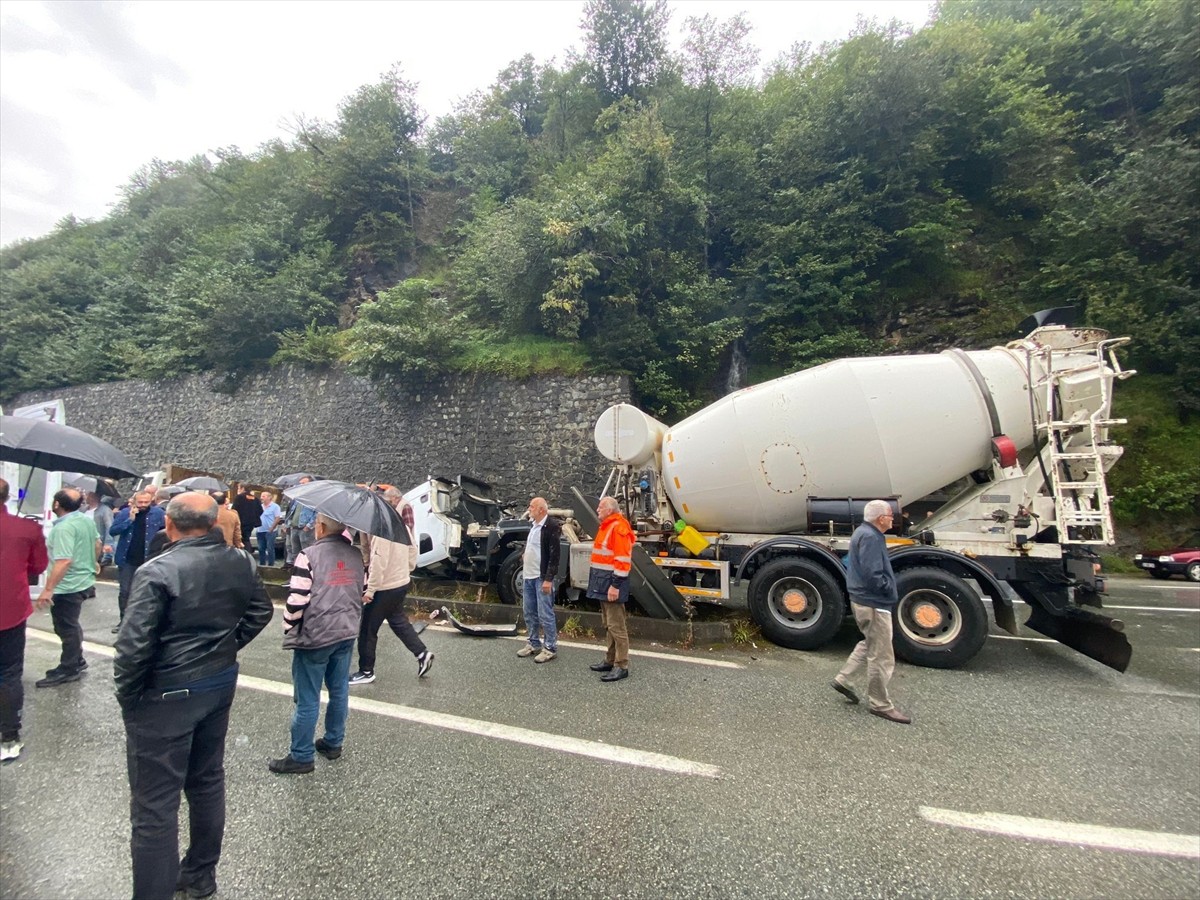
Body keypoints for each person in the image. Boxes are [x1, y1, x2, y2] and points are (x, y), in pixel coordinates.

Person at [114, 492, 272, 900]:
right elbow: (261, 612)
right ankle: (200, 875)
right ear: (215, 522)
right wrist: (226, 648)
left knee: (154, 806)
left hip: (166, 691)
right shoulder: (241, 560)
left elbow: (133, 647)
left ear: (169, 524)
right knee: (206, 780)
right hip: (218, 681)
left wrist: (130, 698)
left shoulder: (157, 570)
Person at [271, 513, 365, 774]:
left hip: (316, 635)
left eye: (316, 524)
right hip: (346, 631)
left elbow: (297, 600)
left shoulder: (308, 555)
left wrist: (289, 626)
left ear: (321, 527)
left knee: (308, 697)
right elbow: (362, 589)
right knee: (339, 690)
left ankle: (301, 756)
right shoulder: (356, 555)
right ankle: (333, 742)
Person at [831, 499, 911, 724]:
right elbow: (872, 573)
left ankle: (844, 679)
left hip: (866, 600)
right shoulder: (871, 537)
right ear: (880, 518)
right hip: (873, 602)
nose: (893, 518)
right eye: (890, 515)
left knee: (870, 642)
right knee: (882, 655)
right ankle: (880, 704)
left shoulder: (864, 533)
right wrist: (887, 589)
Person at [349, 489, 433, 685]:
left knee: (368, 629)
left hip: (384, 586)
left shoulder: (380, 530)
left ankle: (366, 670)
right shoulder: (398, 524)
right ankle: (422, 654)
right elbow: (413, 548)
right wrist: (407, 569)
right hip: (401, 581)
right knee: (398, 621)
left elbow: (379, 562)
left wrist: (370, 590)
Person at [0, 478, 50, 762]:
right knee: (8, 674)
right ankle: (8, 737)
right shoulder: (28, 529)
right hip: (10, 609)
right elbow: (38, 566)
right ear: (7, 498)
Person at [35, 488, 100, 687]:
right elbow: (97, 543)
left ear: (56, 505)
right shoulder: (85, 520)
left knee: (65, 626)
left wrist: (48, 589)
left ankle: (69, 668)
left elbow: (63, 561)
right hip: (84, 580)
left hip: (68, 585)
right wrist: (93, 562)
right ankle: (77, 660)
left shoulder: (63, 528)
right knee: (71, 623)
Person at [586, 496, 634, 683]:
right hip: (604, 583)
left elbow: (623, 560)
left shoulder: (618, 528)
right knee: (609, 624)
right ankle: (610, 660)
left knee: (616, 626)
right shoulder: (608, 526)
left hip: (611, 584)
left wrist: (615, 585)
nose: (597, 509)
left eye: (601, 507)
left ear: (610, 510)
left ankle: (621, 665)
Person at [109, 491, 167, 630]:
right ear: (134, 501)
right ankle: (124, 621)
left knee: (149, 592)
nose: (142, 505)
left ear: (151, 501)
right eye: (140, 502)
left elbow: (166, 532)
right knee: (125, 592)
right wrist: (130, 520)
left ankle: (146, 623)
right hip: (127, 559)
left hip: (149, 558)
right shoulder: (124, 513)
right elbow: (113, 531)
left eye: (146, 502)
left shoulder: (158, 513)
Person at [516, 496, 562, 664]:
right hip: (529, 575)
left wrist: (548, 579)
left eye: (532, 506)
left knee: (545, 613)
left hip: (540, 577)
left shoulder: (551, 526)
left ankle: (550, 647)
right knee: (529, 612)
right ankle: (533, 642)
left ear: (541, 509)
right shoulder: (534, 525)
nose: (529, 509)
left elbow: (555, 555)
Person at [255, 490, 282, 567]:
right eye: (261, 496)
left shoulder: (275, 507)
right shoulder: (260, 506)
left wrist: (272, 528)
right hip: (260, 530)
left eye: (263, 496)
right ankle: (262, 565)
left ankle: (271, 565)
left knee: (270, 548)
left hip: (270, 531)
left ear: (269, 497)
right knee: (260, 548)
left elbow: (277, 518)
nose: (261, 497)